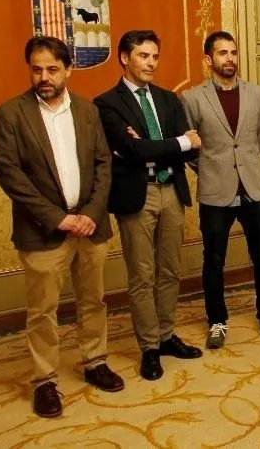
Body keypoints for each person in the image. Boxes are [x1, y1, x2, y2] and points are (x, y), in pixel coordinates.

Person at [0, 36, 124, 417]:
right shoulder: (11, 114)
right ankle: (45, 380)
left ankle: (95, 361)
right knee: (42, 310)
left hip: (89, 225)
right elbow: (10, 175)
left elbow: (103, 163)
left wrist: (91, 213)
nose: (44, 76)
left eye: (52, 68)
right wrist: (58, 218)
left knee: (93, 300)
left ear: (68, 69)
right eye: (37, 69)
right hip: (43, 230)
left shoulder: (87, 111)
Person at [94, 30, 203, 381]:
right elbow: (135, 151)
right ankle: (149, 348)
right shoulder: (107, 103)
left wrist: (173, 144)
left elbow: (194, 144)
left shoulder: (169, 99)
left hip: (171, 190)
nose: (151, 63)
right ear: (124, 58)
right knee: (142, 275)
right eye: (143, 56)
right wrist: (178, 142)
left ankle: (167, 335)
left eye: (155, 56)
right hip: (136, 195)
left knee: (170, 270)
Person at [182, 31, 260, 349]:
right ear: (209, 59)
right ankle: (217, 321)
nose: (230, 59)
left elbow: (259, 140)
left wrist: (244, 166)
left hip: (254, 189)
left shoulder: (256, 94)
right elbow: (190, 150)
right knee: (214, 260)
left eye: (234, 52)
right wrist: (212, 169)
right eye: (223, 53)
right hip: (215, 191)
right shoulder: (193, 99)